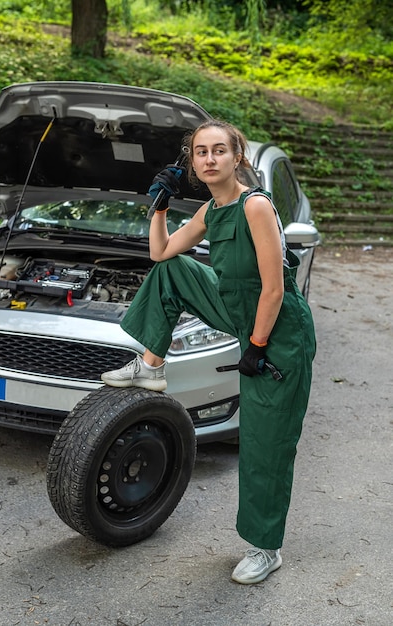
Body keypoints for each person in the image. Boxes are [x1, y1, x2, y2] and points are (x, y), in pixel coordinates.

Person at [101, 119, 316, 584]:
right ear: (194, 163)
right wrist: (159, 206)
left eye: (219, 150)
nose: (210, 158)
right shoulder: (208, 210)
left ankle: (265, 547)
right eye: (201, 152)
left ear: (237, 158)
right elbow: (161, 254)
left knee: (265, 444)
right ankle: (151, 365)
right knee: (174, 270)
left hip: (278, 332)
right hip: (237, 308)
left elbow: (276, 289)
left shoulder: (254, 206)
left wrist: (257, 347)